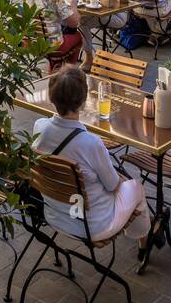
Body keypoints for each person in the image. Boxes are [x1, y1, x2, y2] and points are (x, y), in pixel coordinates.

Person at [32, 66, 154, 250]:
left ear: (51, 98)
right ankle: (143, 241)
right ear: (82, 102)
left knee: (111, 182)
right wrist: (123, 179)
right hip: (92, 225)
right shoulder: (90, 143)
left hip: (55, 215)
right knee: (135, 187)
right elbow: (113, 186)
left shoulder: (39, 128)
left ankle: (142, 234)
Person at [34, 0, 83, 65]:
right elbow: (74, 23)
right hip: (54, 46)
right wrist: (73, 4)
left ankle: (56, 67)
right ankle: (68, 72)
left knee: (61, 32)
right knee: (78, 37)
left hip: (36, 43)